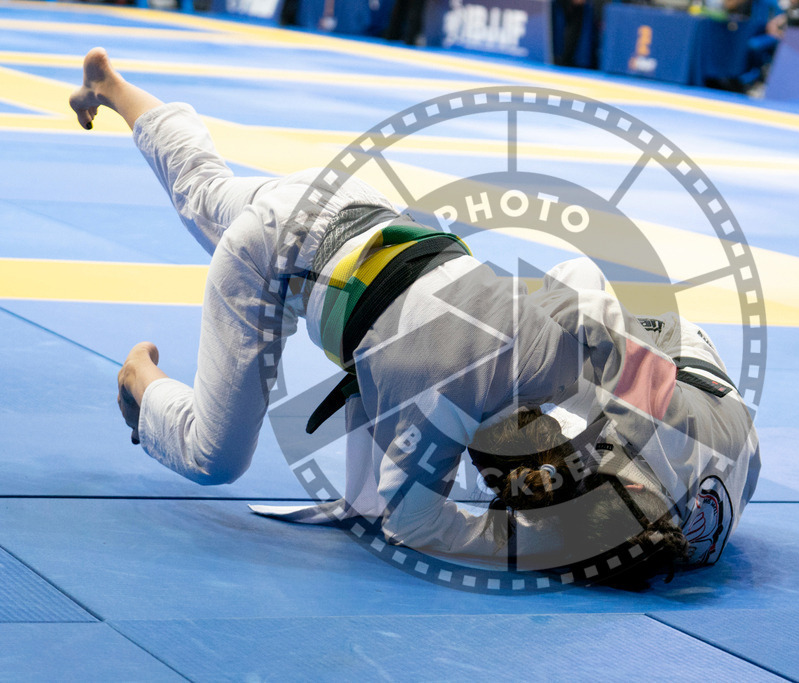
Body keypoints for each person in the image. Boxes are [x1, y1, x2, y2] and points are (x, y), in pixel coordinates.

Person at [71, 48, 760, 586]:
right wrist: (536, 546)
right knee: (211, 455)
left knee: (208, 191)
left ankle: (113, 89)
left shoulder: (577, 357)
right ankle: (141, 380)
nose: (495, 480)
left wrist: (648, 420)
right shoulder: (446, 393)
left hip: (354, 208)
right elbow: (409, 524)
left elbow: (602, 298)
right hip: (276, 256)